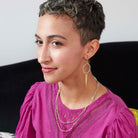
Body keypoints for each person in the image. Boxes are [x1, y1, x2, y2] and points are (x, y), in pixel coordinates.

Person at [15, 0, 138, 137]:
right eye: (39, 42)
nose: (42, 58)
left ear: (90, 49)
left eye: (56, 43)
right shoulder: (36, 97)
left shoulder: (115, 120)